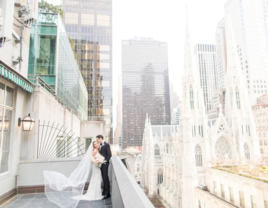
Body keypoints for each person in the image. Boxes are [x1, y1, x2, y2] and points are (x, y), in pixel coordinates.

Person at [96, 135, 112, 200]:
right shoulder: (100, 145)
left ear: (100, 138)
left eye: (97, 139)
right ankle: (104, 191)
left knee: (105, 178)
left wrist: (105, 162)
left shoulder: (106, 145)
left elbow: (109, 154)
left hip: (105, 164)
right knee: (103, 177)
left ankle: (107, 193)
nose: (97, 140)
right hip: (101, 164)